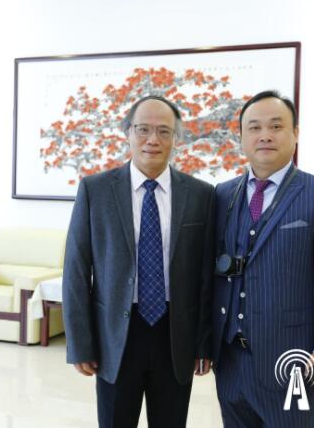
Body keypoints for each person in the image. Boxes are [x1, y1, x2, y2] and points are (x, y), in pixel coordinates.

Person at [62, 95, 216, 427]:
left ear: (177, 138)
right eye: (143, 129)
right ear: (128, 133)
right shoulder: (95, 190)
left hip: (175, 335)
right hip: (115, 334)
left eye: (164, 131)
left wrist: (204, 343)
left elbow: (206, 278)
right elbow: (76, 270)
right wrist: (79, 342)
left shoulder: (201, 195)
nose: (152, 140)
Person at [211, 90, 314, 427]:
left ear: (295, 133)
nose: (265, 135)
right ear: (241, 137)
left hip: (292, 358)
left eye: (276, 126)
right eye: (254, 127)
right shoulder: (222, 194)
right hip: (230, 357)